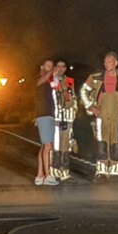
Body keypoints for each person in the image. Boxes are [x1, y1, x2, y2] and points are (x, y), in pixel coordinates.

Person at [79, 52, 118, 181]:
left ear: (116, 63)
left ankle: (115, 171)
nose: (107, 64)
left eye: (110, 61)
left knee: (117, 141)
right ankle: (101, 171)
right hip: (101, 112)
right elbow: (83, 90)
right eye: (105, 61)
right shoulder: (96, 77)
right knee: (101, 141)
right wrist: (90, 106)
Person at [50, 58, 79, 182]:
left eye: (63, 66)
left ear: (66, 68)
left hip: (68, 118)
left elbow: (74, 99)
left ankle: (65, 173)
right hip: (55, 119)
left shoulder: (71, 82)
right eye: (58, 66)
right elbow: (50, 100)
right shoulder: (52, 81)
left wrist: (73, 115)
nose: (61, 69)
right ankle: (54, 172)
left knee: (66, 146)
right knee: (55, 146)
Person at [35, 58, 60, 186]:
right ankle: (48, 175)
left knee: (45, 145)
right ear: (42, 67)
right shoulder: (39, 80)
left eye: (52, 66)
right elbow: (43, 79)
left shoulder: (50, 82)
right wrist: (51, 73)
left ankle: (40, 175)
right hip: (43, 115)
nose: (50, 68)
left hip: (49, 115)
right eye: (48, 66)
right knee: (48, 145)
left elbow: (56, 91)